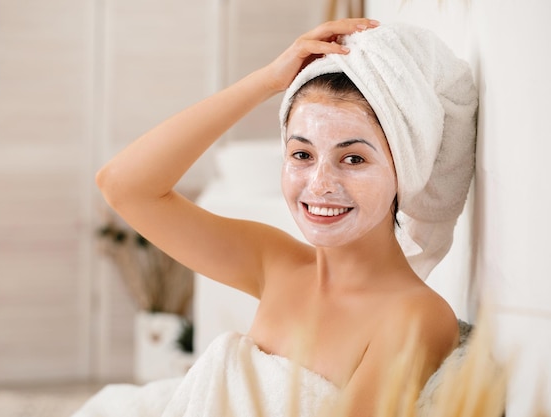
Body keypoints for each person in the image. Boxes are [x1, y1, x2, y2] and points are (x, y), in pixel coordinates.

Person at [79, 17, 477, 417]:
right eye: (301, 154)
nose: (320, 184)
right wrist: (266, 81)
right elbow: (123, 186)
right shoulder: (276, 263)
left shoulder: (415, 316)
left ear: (404, 172)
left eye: (353, 158)